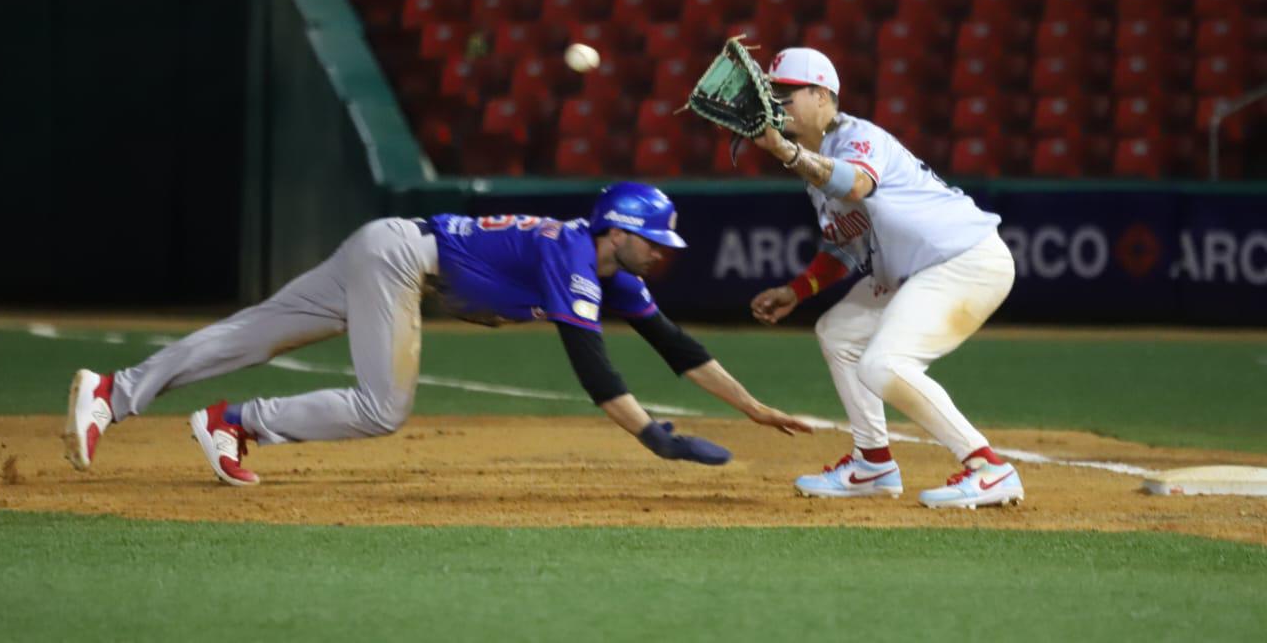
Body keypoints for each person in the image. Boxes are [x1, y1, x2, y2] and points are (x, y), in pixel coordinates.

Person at [64, 182, 812, 486]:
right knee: (383, 407)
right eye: (652, 241)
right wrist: (654, 437)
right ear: (618, 230)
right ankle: (229, 421)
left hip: (391, 249)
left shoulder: (612, 271)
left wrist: (752, 407)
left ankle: (122, 393)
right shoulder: (573, 255)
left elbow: (676, 347)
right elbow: (591, 366)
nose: (660, 253)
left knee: (252, 335)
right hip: (399, 261)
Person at [747, 47, 1024, 510]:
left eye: (788, 95)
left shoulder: (854, 136)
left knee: (884, 363)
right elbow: (842, 245)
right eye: (773, 97)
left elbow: (856, 185)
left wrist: (784, 150)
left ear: (821, 95)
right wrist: (798, 291)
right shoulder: (813, 165)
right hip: (916, 272)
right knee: (838, 332)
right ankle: (873, 463)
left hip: (963, 259)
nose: (778, 106)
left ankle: (989, 468)